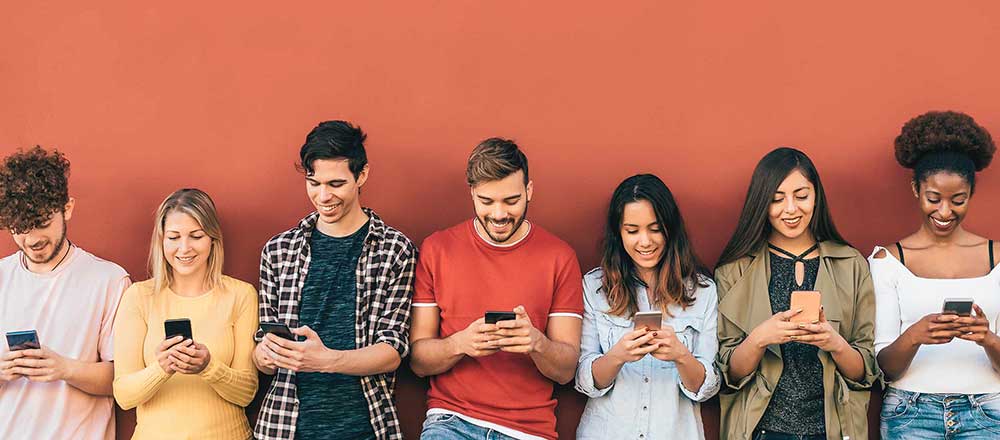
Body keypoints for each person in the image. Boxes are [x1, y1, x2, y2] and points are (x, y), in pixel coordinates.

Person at [409, 137, 584, 440]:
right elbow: (418, 361)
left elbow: (566, 370)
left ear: (529, 190)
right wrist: (460, 344)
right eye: (487, 202)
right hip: (451, 421)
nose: (500, 214)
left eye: (511, 201)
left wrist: (536, 343)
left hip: (529, 431)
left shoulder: (560, 257)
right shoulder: (438, 249)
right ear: (472, 193)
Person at [253, 120, 417, 440]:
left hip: (366, 426)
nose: (323, 196)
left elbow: (393, 350)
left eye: (336, 184)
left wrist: (326, 360)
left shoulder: (396, 249)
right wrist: (264, 354)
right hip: (284, 427)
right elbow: (262, 355)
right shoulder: (278, 251)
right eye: (314, 183)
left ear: (362, 175)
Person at [714, 147, 879, 440]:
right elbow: (731, 375)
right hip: (761, 430)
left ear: (817, 196)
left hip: (831, 430)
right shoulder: (734, 270)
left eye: (801, 196)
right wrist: (760, 338)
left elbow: (863, 373)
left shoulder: (851, 264)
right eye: (777, 199)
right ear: (761, 203)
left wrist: (835, 343)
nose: (791, 209)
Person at [870, 111, 1000, 439]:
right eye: (933, 198)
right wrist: (915, 336)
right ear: (915, 189)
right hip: (909, 413)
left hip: (988, 412)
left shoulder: (997, 258)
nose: (944, 212)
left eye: (958, 200)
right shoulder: (887, 261)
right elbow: (884, 368)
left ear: (971, 193)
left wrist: (987, 338)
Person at [574, 174, 720, 440]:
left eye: (655, 229)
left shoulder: (703, 291)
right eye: (632, 231)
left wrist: (681, 355)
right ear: (618, 233)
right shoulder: (595, 286)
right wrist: (618, 355)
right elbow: (586, 381)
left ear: (670, 228)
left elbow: (706, 388)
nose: (645, 242)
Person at [0, 146, 130, 440]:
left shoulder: (109, 280)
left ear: (67, 208)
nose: (31, 239)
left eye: (42, 224)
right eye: (20, 228)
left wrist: (64, 369)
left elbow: (122, 380)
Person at [113, 188, 258, 439]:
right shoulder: (138, 297)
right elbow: (124, 396)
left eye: (195, 236)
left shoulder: (241, 295)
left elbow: (247, 392)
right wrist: (162, 368)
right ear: (161, 241)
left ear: (212, 239)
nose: (184, 247)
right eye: (174, 237)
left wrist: (208, 366)